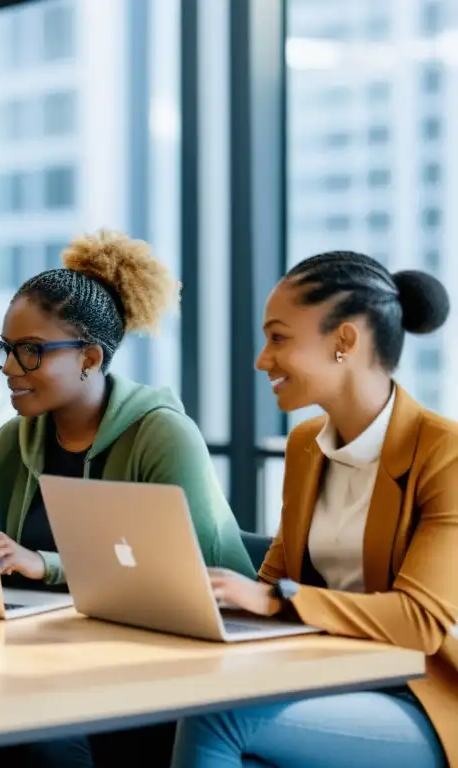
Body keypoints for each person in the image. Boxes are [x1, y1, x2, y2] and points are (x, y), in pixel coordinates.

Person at [0, 230, 255, 768]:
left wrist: (45, 565)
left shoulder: (162, 435)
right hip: (64, 656)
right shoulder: (12, 443)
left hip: (180, 661)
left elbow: (179, 578)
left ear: (89, 357)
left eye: (30, 352)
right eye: (6, 350)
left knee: (27, 739)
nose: (10, 368)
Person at [172, 251, 456, 767]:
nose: (262, 359)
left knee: (218, 715)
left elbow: (420, 621)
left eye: (278, 338)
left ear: (343, 341)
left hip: (424, 699)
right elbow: (275, 578)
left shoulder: (445, 454)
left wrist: (279, 601)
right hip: (329, 674)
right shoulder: (307, 446)